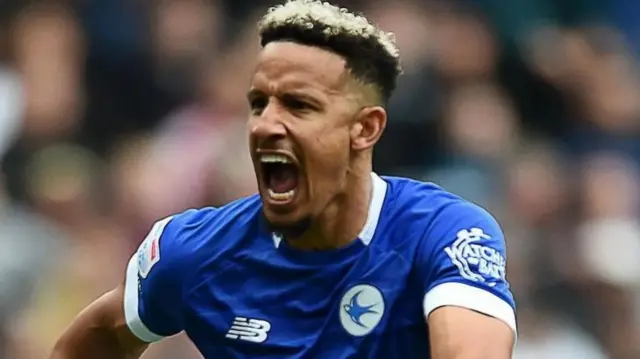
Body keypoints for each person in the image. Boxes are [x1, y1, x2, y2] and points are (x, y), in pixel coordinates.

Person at [49, 1, 517, 358]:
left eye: (299, 106)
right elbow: (99, 337)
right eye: (258, 104)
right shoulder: (194, 252)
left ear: (365, 128)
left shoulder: (443, 233)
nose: (265, 125)